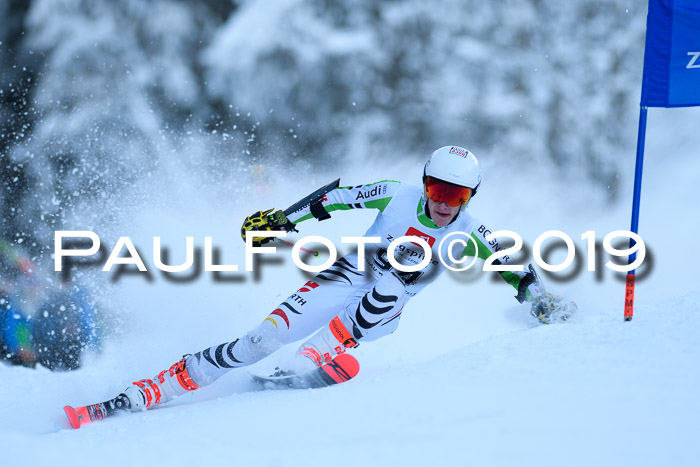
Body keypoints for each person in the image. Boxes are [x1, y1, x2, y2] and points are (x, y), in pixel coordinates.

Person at [87, 146, 576, 411]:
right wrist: (284, 220)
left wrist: (538, 299)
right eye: (437, 187)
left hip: (386, 304)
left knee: (407, 267)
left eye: (458, 195)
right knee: (260, 340)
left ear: (471, 198)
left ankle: (320, 352)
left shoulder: (470, 231)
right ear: (424, 182)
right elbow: (338, 197)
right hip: (347, 273)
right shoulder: (397, 194)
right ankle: (155, 389)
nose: (444, 201)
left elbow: (513, 263)